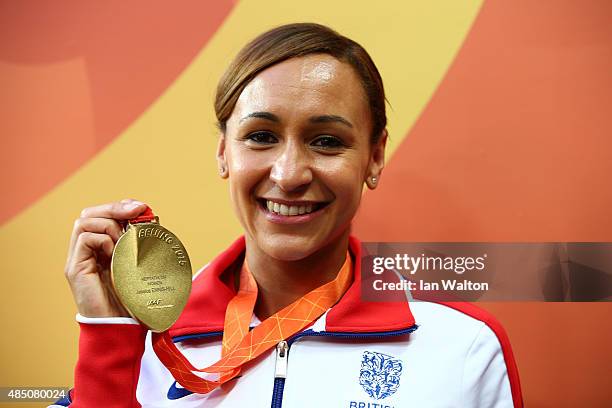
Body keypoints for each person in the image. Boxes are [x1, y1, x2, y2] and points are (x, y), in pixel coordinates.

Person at [52, 23, 523, 407]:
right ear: (223, 153)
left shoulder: (462, 348)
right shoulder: (143, 342)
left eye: (327, 141)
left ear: (374, 158)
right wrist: (109, 337)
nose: (290, 173)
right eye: (260, 136)